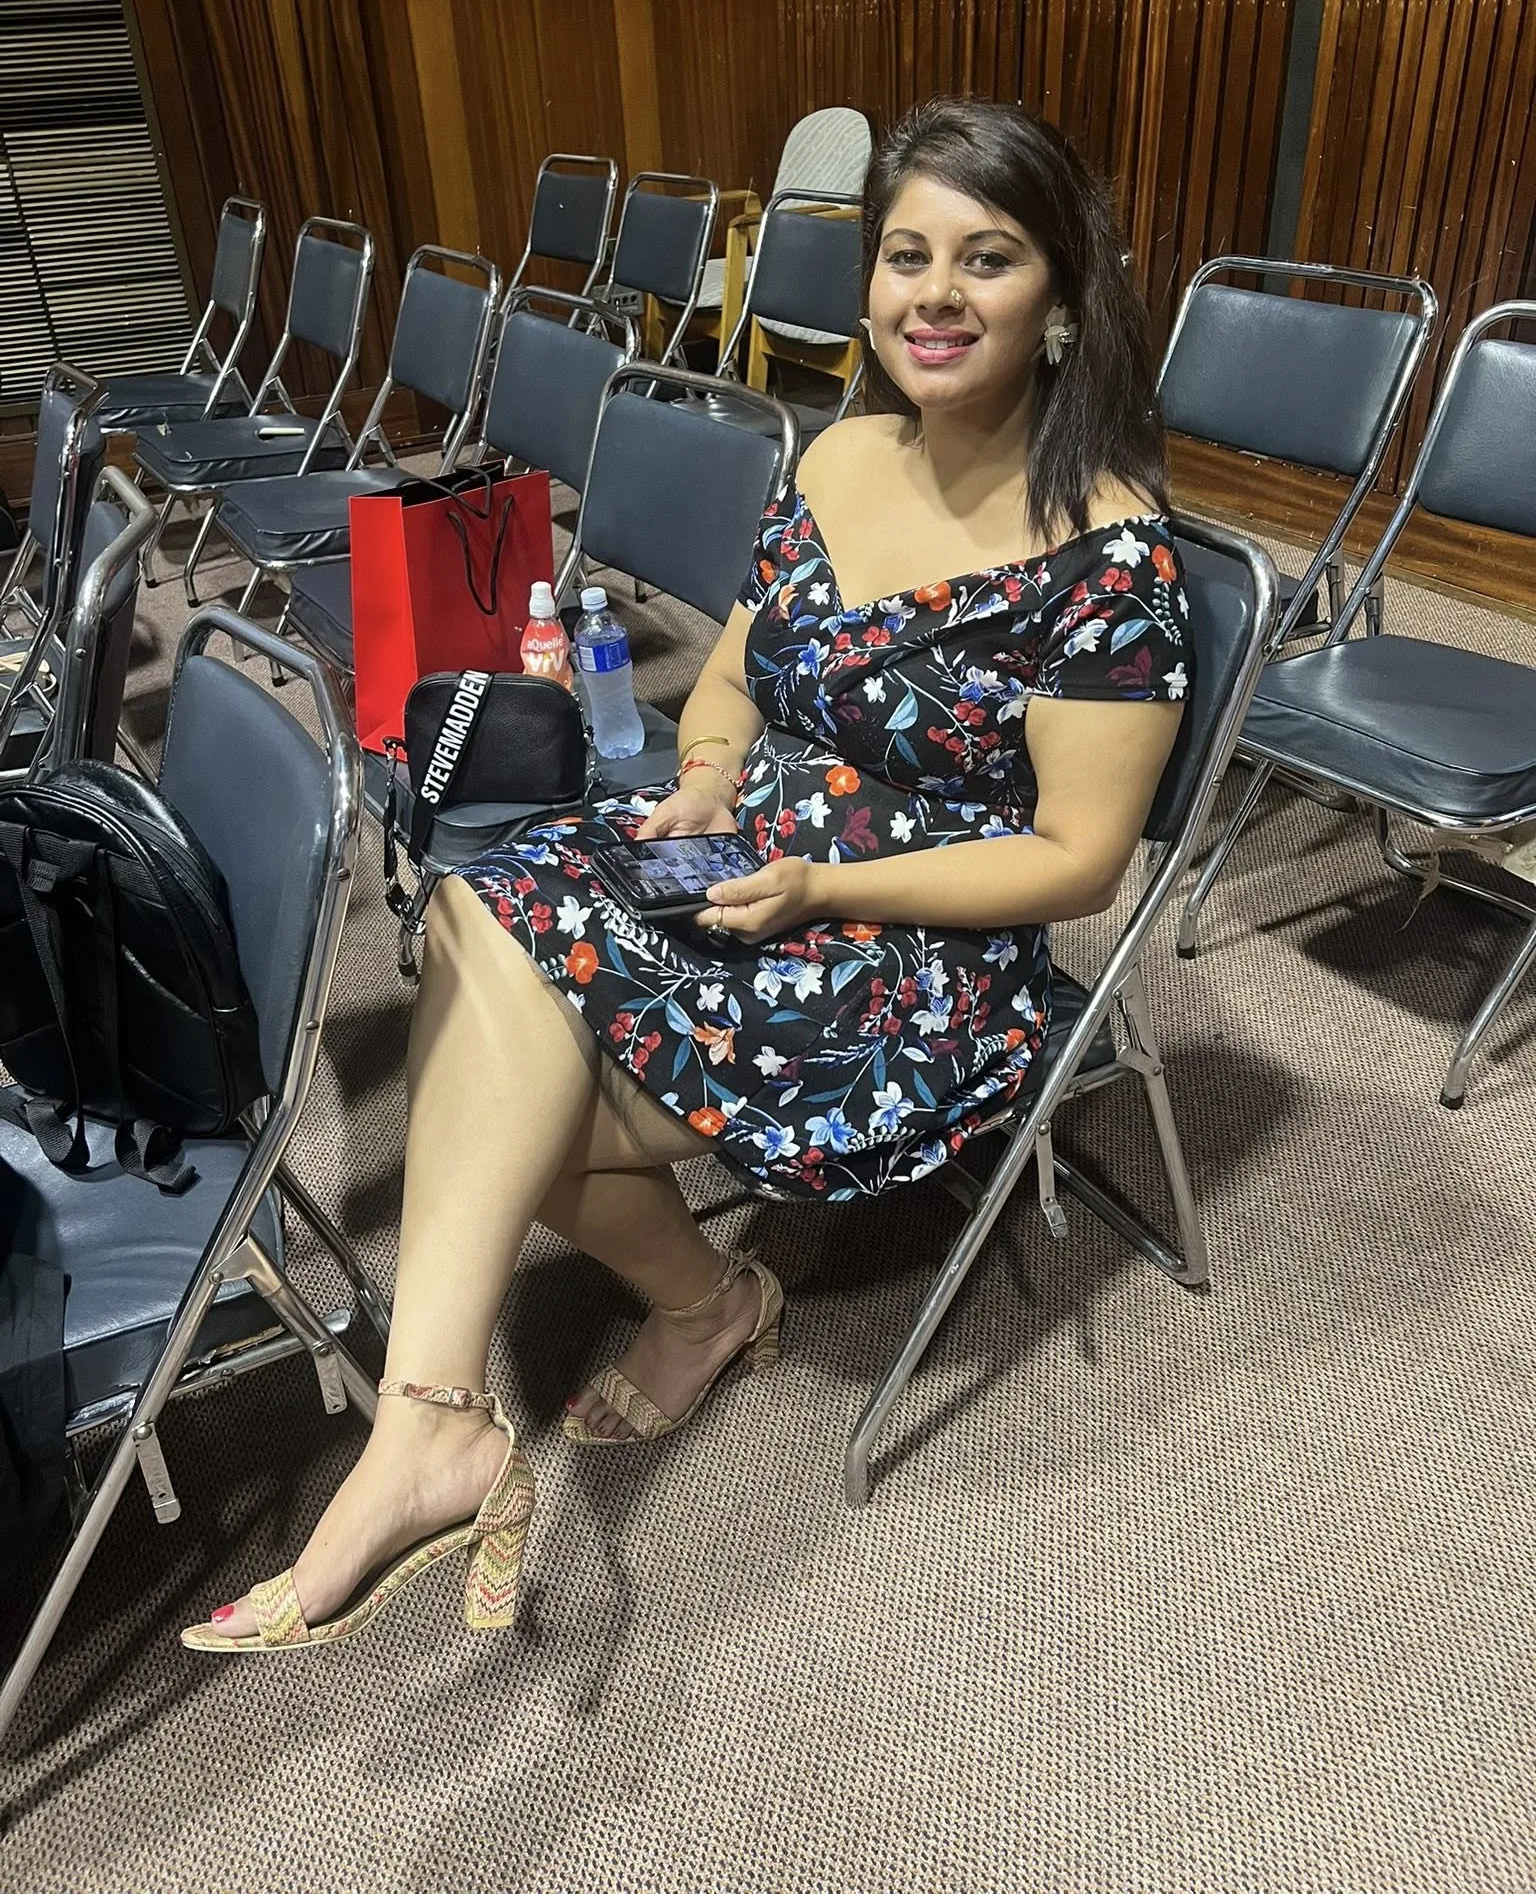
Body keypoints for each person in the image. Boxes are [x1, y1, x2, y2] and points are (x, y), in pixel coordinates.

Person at [183, 97, 1192, 1655]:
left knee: (516, 1098)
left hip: (918, 957)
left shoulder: (1112, 561)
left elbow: (1078, 865)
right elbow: (731, 677)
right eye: (905, 255)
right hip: (752, 857)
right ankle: (443, 1415)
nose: (934, 294)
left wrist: (823, 891)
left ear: (1059, 296)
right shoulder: (841, 453)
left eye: (986, 259)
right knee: (483, 904)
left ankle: (667, 1326)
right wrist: (709, 780)